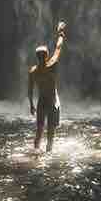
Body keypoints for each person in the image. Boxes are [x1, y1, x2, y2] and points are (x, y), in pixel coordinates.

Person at [28, 20, 66, 153]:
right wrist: (61, 32)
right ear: (47, 56)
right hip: (52, 101)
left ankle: (35, 153)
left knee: (39, 130)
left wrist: (31, 104)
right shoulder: (52, 64)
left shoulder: (33, 71)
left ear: (37, 57)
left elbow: (30, 90)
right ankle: (48, 155)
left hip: (41, 102)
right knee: (50, 133)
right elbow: (59, 47)